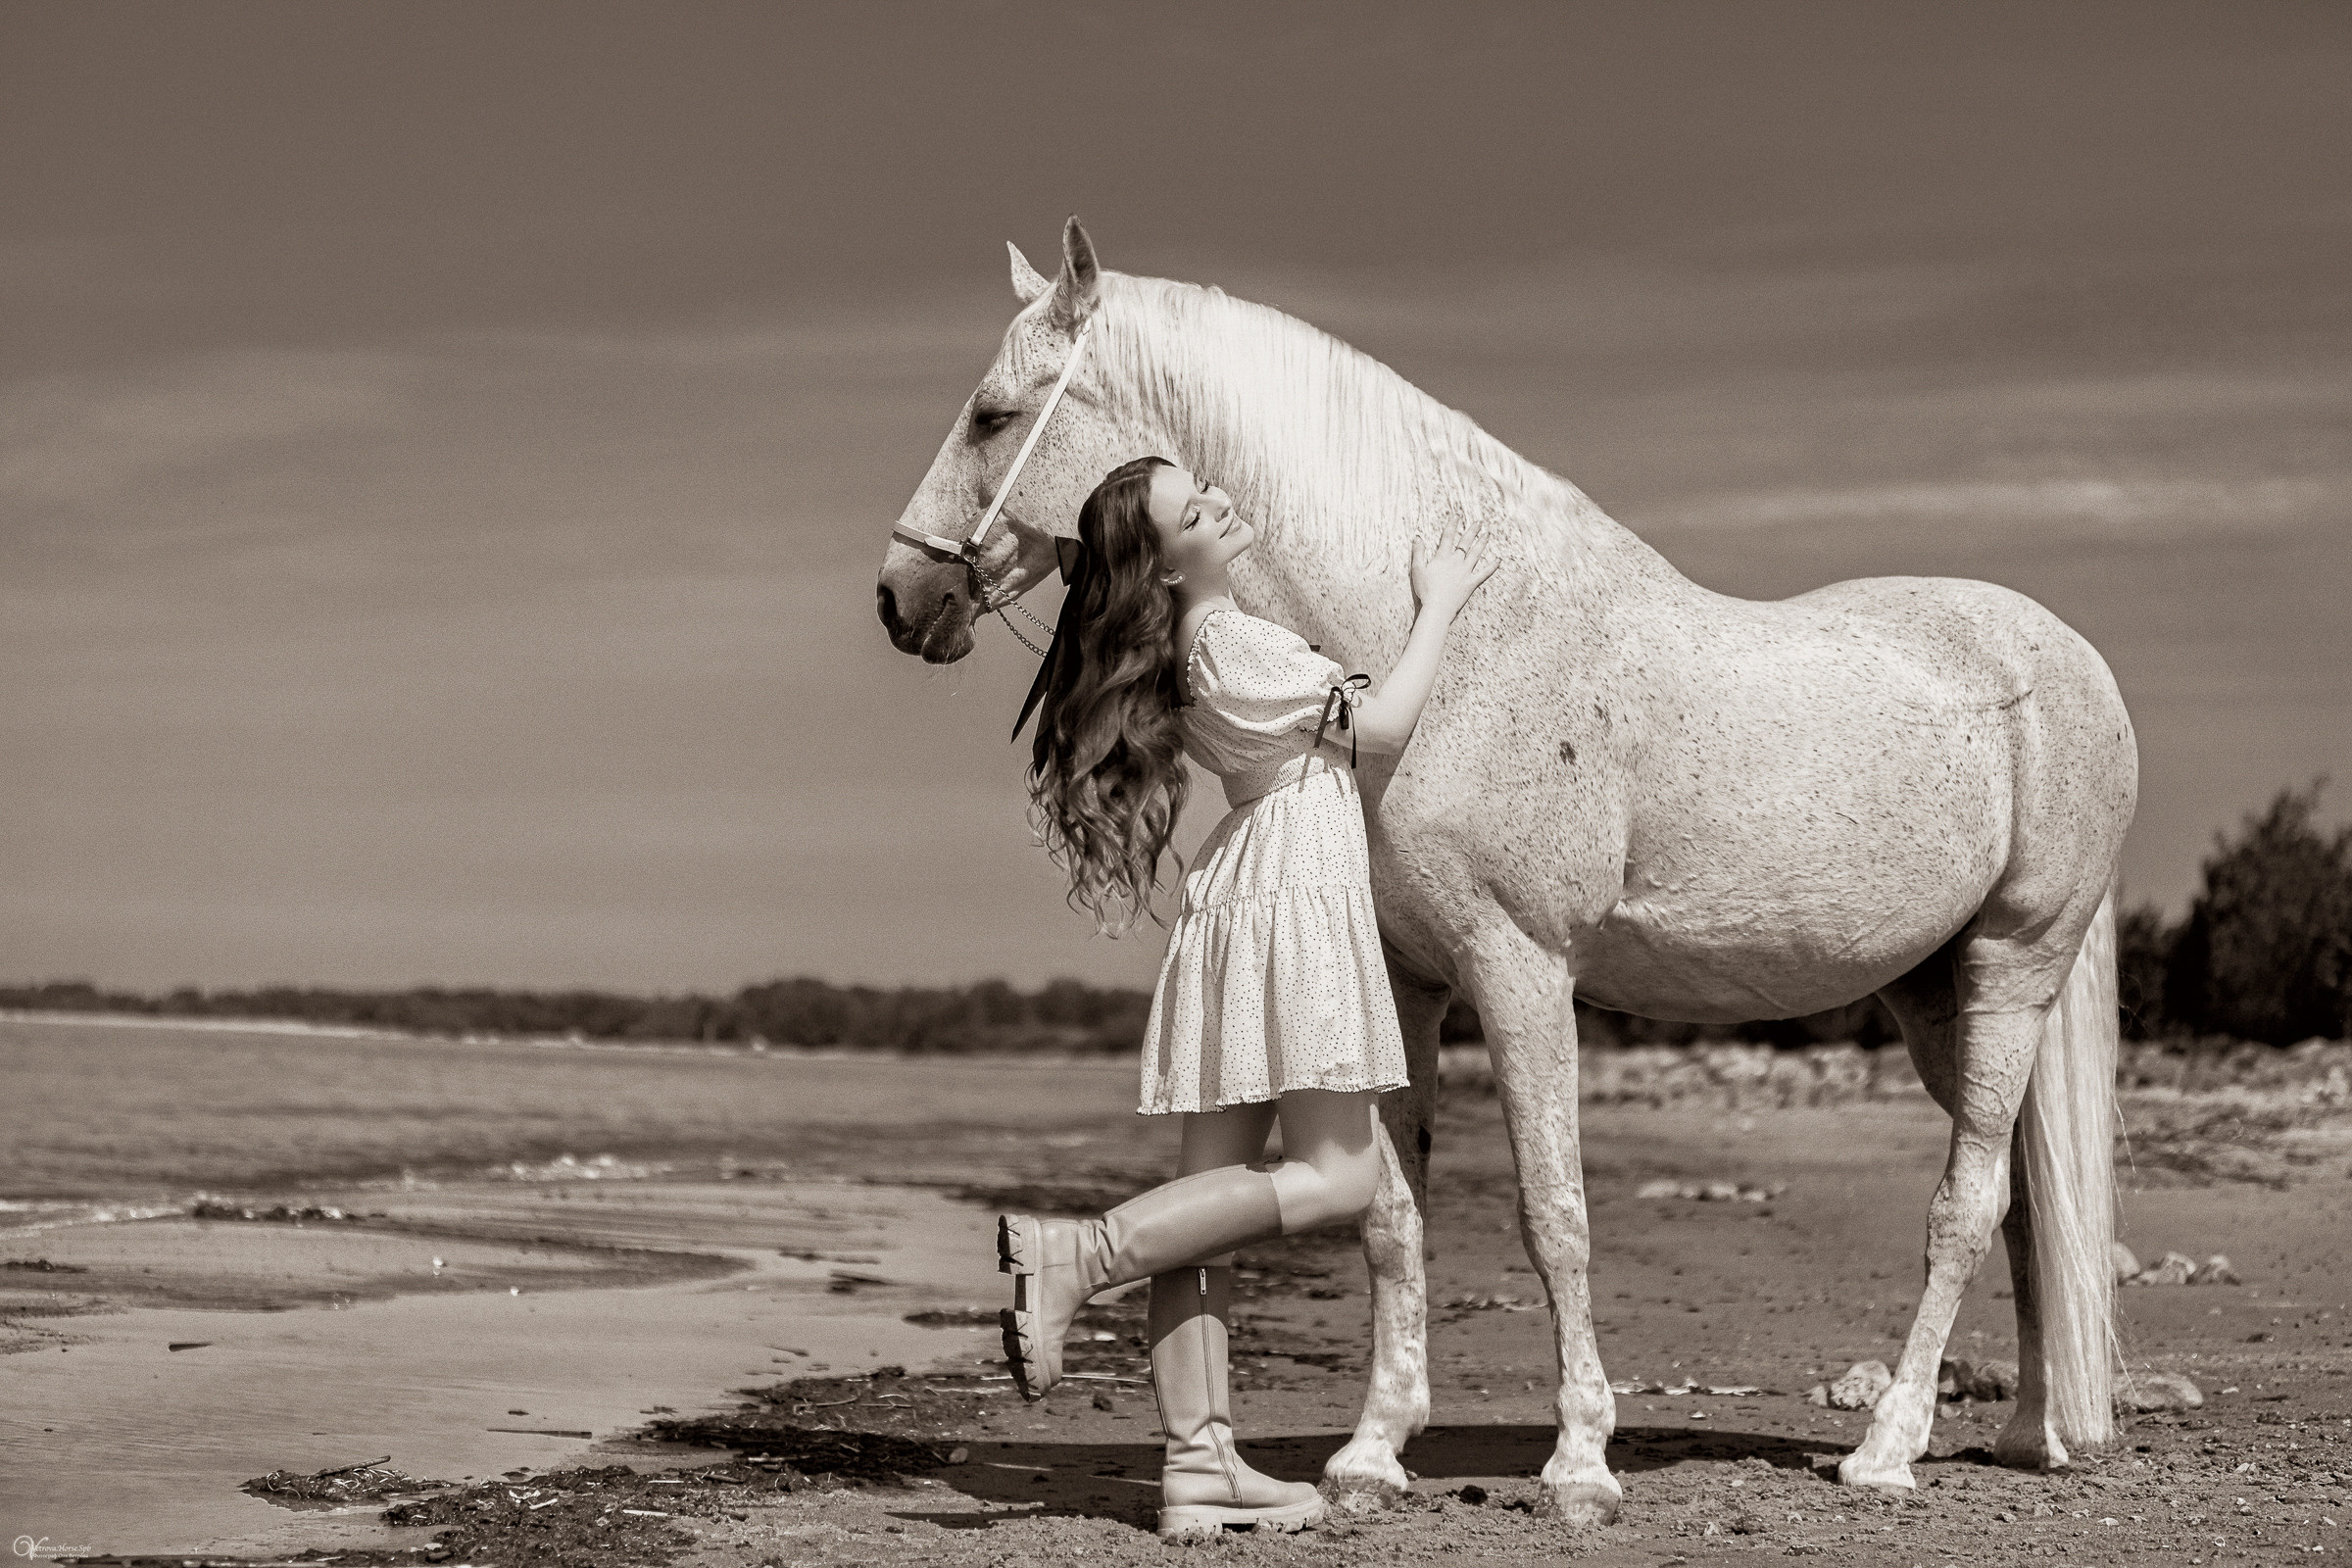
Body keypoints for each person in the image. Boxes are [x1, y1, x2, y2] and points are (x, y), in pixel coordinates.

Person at [1004, 454, 1498, 1541]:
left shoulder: (1198, 646)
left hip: (1246, 893)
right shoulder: (1233, 641)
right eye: (1195, 510)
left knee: (1210, 1205)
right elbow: (1380, 731)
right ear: (1168, 565)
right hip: (1290, 899)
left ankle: (1198, 1465)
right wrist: (1442, 606)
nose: (1221, 504)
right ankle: (1076, 1256)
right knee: (1343, 1173)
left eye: (1208, 490)